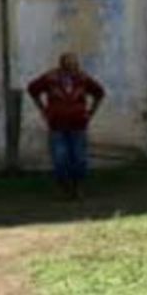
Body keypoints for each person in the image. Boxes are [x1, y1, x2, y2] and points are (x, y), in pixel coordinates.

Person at [27, 52, 106, 199]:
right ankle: (64, 186)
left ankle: (78, 187)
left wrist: (90, 113)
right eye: (68, 63)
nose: (71, 66)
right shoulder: (51, 78)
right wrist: (43, 110)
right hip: (57, 125)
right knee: (60, 157)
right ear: (61, 64)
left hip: (78, 124)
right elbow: (32, 89)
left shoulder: (82, 78)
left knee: (79, 157)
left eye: (74, 63)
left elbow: (99, 93)